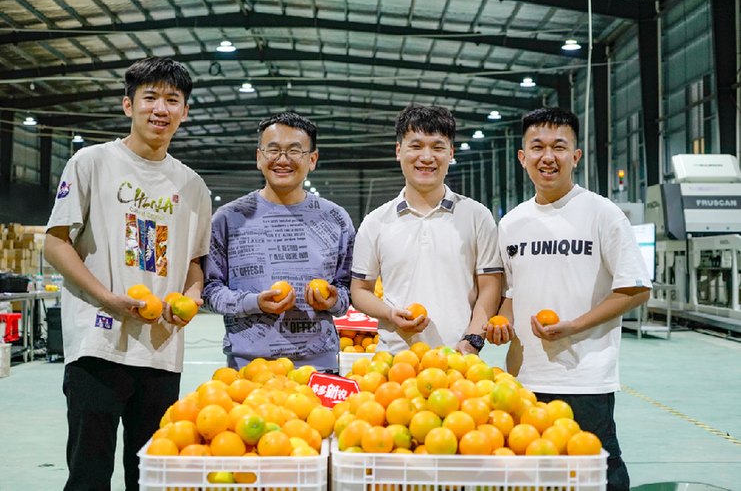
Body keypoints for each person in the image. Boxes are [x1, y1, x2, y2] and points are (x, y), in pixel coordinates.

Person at [44, 57, 212, 491]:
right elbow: (55, 243)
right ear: (128, 105)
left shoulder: (193, 185)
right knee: (89, 474)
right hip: (97, 343)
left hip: (160, 350)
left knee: (151, 476)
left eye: (172, 100)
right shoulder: (92, 162)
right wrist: (107, 298)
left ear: (185, 111)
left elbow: (195, 264)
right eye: (150, 97)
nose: (161, 108)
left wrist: (192, 299)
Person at [484, 107, 651, 491]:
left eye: (559, 147)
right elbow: (512, 293)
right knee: (534, 475)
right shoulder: (510, 223)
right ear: (522, 157)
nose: (548, 156)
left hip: (585, 378)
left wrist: (574, 326)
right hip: (524, 377)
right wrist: (502, 322)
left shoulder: (602, 214)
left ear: (575, 156)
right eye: (537, 146)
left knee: (598, 473)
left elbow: (636, 287)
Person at [202, 112, 355, 373]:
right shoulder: (229, 218)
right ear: (259, 157)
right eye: (273, 150)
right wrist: (254, 303)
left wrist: (332, 300)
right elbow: (208, 291)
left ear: (312, 159)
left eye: (294, 151)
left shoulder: (335, 219)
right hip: (249, 369)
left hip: (319, 368)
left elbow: (348, 291)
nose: (282, 160)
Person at [350, 103, 502, 355]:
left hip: (459, 358)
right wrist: (389, 313)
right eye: (416, 146)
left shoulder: (477, 216)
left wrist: (472, 340)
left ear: (451, 154)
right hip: (394, 362)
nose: (427, 157)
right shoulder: (375, 222)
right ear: (398, 151)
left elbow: (490, 287)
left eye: (438, 147)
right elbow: (360, 290)